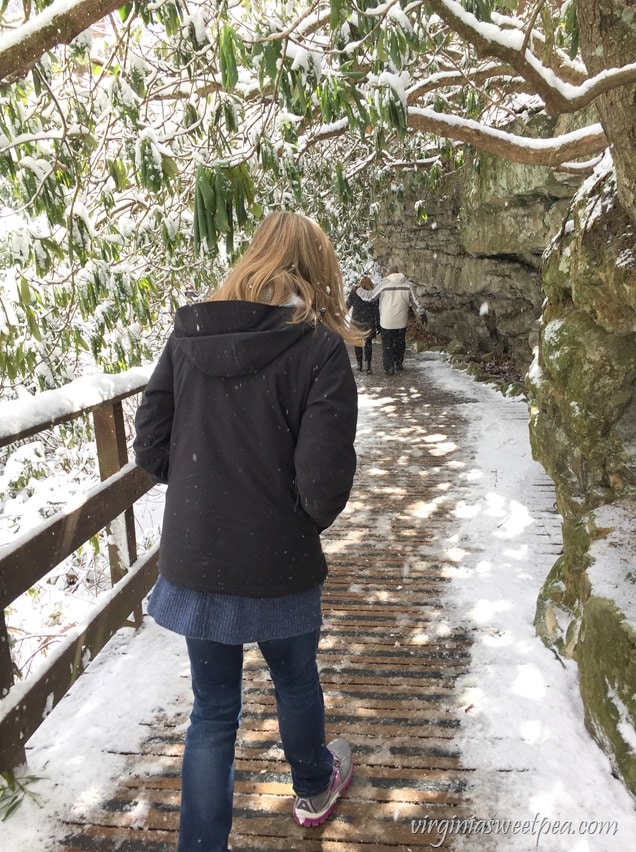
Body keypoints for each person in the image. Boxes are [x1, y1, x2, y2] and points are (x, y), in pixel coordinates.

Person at [133, 211, 363, 852]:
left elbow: (150, 449)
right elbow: (322, 492)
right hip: (279, 563)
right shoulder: (319, 349)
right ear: (319, 273)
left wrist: (210, 492)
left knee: (211, 713)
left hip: (199, 559)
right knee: (294, 680)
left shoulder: (188, 336)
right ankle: (314, 788)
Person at [357, 266, 426, 375]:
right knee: (400, 342)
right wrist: (422, 313)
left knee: (387, 344)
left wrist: (359, 290)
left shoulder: (384, 285)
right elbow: (415, 301)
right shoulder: (407, 285)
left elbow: (370, 297)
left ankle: (388, 367)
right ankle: (398, 362)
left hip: (387, 321)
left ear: (388, 274)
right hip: (401, 321)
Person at [346, 274, 380, 373]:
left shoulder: (354, 292)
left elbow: (347, 305)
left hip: (356, 322)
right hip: (368, 322)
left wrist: (341, 315)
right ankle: (368, 366)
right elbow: (376, 311)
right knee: (368, 344)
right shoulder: (373, 295)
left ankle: (359, 364)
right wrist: (378, 324)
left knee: (358, 344)